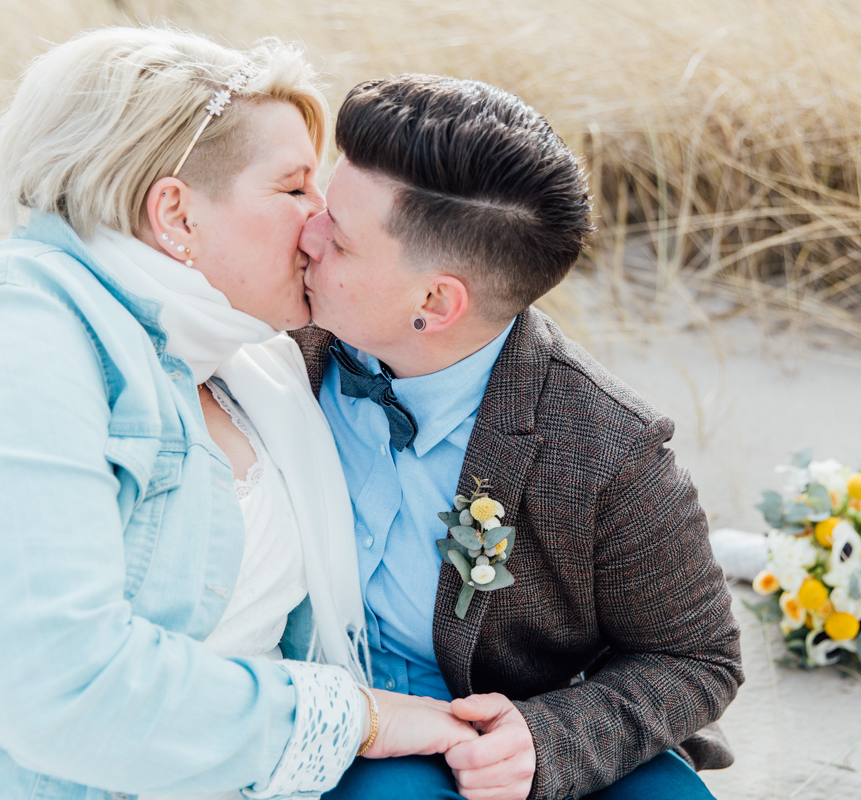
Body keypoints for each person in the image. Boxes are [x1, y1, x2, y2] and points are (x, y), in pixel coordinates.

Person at [0, 29, 476, 800]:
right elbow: (59, 683)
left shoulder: (248, 363)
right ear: (176, 215)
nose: (322, 223)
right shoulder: (5, 346)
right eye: (293, 190)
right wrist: (356, 718)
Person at [293, 75, 745, 800]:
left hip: (512, 724)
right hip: (333, 720)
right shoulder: (273, 340)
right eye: (320, 201)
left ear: (436, 301)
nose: (307, 234)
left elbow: (696, 655)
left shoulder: (606, 450)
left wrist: (545, 740)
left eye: (339, 239)